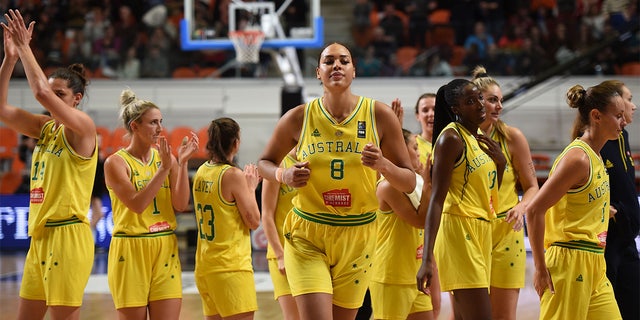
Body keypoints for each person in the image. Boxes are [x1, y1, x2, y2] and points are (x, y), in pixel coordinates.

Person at [257, 42, 416, 320]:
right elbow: (264, 163)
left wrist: (383, 165)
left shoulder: (379, 114)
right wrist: (284, 175)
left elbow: (409, 182)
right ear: (318, 72)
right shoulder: (298, 117)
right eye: (329, 61)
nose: (337, 66)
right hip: (308, 235)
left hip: (359, 234)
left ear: (354, 71)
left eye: (344, 60)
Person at [0, 9, 98, 320]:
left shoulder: (83, 129)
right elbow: (1, 108)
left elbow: (40, 91)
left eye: (61, 95)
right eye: (52, 93)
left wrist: (26, 47)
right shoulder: (44, 128)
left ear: (76, 99)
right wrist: (10, 59)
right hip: (40, 237)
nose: (51, 99)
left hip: (69, 236)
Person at [525, 83, 626, 320]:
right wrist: (540, 268)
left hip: (595, 262)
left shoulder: (596, 156)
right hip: (569, 261)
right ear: (596, 116)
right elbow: (534, 210)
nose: (625, 122)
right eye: (619, 116)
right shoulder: (577, 158)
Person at [103, 88, 198, 320]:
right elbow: (137, 204)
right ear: (135, 126)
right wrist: (165, 169)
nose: (160, 128)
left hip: (165, 245)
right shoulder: (115, 163)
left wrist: (182, 164)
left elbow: (180, 203)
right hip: (131, 247)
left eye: (161, 122)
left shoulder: (166, 159)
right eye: (153, 122)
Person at [416, 79, 506, 320]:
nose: (479, 104)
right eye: (470, 101)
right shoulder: (451, 139)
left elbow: (487, 193)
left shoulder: (476, 136)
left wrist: (501, 163)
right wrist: (427, 259)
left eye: (479, 98)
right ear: (455, 109)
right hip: (459, 230)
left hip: (481, 229)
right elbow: (437, 199)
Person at [472, 66, 540, 320]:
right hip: (469, 231)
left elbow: (533, 186)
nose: (499, 106)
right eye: (492, 100)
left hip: (506, 232)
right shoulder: (458, 137)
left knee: (504, 316)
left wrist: (522, 207)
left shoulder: (512, 137)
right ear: (476, 101)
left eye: (500, 100)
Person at [192, 117, 261, 320]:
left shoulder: (201, 172)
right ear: (236, 143)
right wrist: (250, 188)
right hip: (231, 268)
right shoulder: (232, 175)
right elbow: (254, 221)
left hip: (205, 267)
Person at [371, 128, 435, 320]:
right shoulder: (387, 186)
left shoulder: (415, 181)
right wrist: (429, 185)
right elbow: (421, 221)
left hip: (415, 273)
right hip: (390, 276)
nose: (418, 152)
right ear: (400, 150)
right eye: (414, 147)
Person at [598, 80, 639, 320]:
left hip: (627, 241)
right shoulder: (594, 143)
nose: (633, 106)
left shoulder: (622, 136)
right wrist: (607, 210)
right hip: (606, 244)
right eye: (629, 99)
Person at [261, 148, 300, 320]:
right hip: (283, 253)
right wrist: (279, 255)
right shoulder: (277, 166)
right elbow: (267, 214)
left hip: (312, 253)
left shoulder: (316, 160)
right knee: (293, 317)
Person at [90, 131, 106, 242]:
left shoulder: (100, 154)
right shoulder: (89, 154)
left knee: (98, 215)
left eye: (100, 140)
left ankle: (90, 241)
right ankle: (87, 239)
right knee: (98, 214)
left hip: (98, 188)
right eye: (97, 140)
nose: (99, 142)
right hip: (91, 188)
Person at [413, 93, 436, 167]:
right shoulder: (411, 145)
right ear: (417, 116)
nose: (431, 114)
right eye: (425, 110)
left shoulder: (452, 143)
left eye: (435, 109)